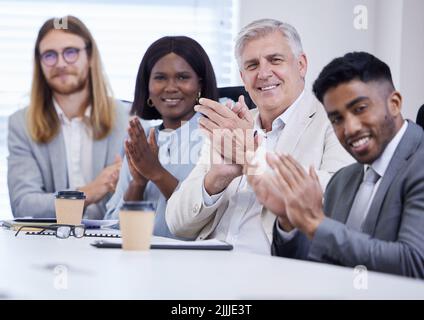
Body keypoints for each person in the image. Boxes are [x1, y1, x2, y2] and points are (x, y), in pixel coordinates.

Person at [165, 19, 353, 254]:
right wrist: (216, 179)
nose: (264, 73)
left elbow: (340, 202)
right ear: (243, 78)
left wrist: (253, 160)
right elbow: (176, 223)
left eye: (275, 60)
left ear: (301, 65)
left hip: (277, 273)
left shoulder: (336, 120)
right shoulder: (231, 128)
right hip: (207, 268)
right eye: (252, 65)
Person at [252, 52, 424, 278]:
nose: (350, 128)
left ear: (394, 104)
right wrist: (289, 221)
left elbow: (415, 263)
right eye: (336, 119)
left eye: (360, 109)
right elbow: (316, 264)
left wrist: (315, 224)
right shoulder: (342, 180)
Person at [8, 16, 128, 219]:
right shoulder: (21, 124)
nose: (61, 63)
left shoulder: (127, 118)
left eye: (70, 52)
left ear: (90, 56)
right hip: (49, 246)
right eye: (49, 55)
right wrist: (88, 192)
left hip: (113, 245)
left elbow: (142, 202)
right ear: (40, 63)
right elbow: (24, 205)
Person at [104, 36, 219, 239]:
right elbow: (116, 226)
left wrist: (156, 173)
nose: (170, 87)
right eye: (160, 78)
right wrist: (138, 183)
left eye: (183, 77)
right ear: (147, 85)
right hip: (138, 257)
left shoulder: (214, 134)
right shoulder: (141, 140)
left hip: (190, 261)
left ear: (199, 84)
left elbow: (203, 221)